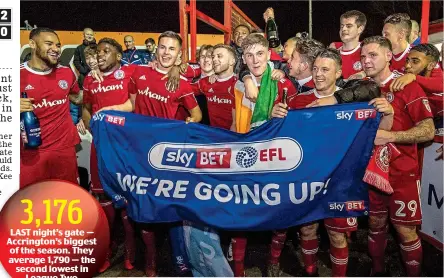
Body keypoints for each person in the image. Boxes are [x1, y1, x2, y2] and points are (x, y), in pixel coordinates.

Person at [272, 48, 392, 277]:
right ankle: (310, 272)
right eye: (315, 68)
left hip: (340, 180)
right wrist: (276, 117)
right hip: (307, 177)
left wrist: (386, 113)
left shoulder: (354, 99)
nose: (318, 74)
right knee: (307, 229)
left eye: (325, 69)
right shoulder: (298, 100)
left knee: (337, 234)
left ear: (339, 73)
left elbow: (376, 110)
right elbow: (282, 138)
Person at [128, 31, 202, 277]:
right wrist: (105, 113)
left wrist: (188, 125)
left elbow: (198, 115)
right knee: (144, 205)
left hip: (166, 156)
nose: (166, 52)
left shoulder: (181, 83)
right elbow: (131, 104)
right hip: (140, 152)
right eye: (163, 47)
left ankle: (179, 259)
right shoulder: (138, 73)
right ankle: (150, 260)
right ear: (156, 49)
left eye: (172, 49)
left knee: (171, 207)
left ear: (179, 54)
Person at [360, 36, 435, 276]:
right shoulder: (359, 87)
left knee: (405, 231)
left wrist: (391, 136)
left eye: (372, 55)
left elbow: (428, 130)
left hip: (402, 172)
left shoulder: (406, 86)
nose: (366, 60)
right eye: (363, 56)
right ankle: (378, 270)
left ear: (388, 56)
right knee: (375, 225)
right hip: (370, 173)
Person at [230, 33, 297, 277]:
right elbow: (235, 121)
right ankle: (238, 268)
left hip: (276, 157)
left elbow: (297, 119)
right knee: (241, 210)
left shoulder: (282, 82)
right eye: (249, 55)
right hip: (246, 155)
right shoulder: (239, 84)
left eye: (260, 54)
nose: (255, 60)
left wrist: (279, 116)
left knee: (279, 210)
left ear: (269, 55)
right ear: (244, 59)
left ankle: (274, 260)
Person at [82, 38, 136, 274]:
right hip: (100, 146)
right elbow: (86, 107)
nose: (101, 55)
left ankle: (131, 250)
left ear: (118, 55)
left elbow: (134, 103)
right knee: (102, 195)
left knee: (126, 194)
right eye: (98, 51)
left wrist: (176, 67)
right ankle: (107, 246)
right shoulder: (89, 79)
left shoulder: (130, 72)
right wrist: (90, 125)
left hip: (125, 145)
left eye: (106, 51)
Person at [20, 27, 82, 187]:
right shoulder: (13, 75)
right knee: (28, 202)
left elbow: (77, 97)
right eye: (49, 44)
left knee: (67, 198)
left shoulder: (66, 73)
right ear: (32, 44)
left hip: (64, 150)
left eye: (58, 45)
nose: (56, 49)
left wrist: (96, 79)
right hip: (29, 153)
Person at [390, 44, 443, 159]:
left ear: (431, 65)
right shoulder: (400, 82)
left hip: (435, 154)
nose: (407, 66)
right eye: (407, 60)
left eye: (415, 61)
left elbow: (441, 84)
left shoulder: (440, 98)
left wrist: (414, 77)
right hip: (408, 154)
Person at [191, 44, 237, 130]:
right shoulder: (206, 82)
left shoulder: (240, 84)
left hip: (236, 137)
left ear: (232, 61)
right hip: (212, 137)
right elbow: (182, 90)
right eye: (213, 57)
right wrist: (175, 69)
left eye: (219, 56)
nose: (214, 59)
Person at [337, 10, 367, 80]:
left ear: (360, 29)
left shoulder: (367, 52)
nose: (343, 29)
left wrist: (365, 73)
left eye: (349, 26)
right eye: (342, 26)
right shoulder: (332, 55)